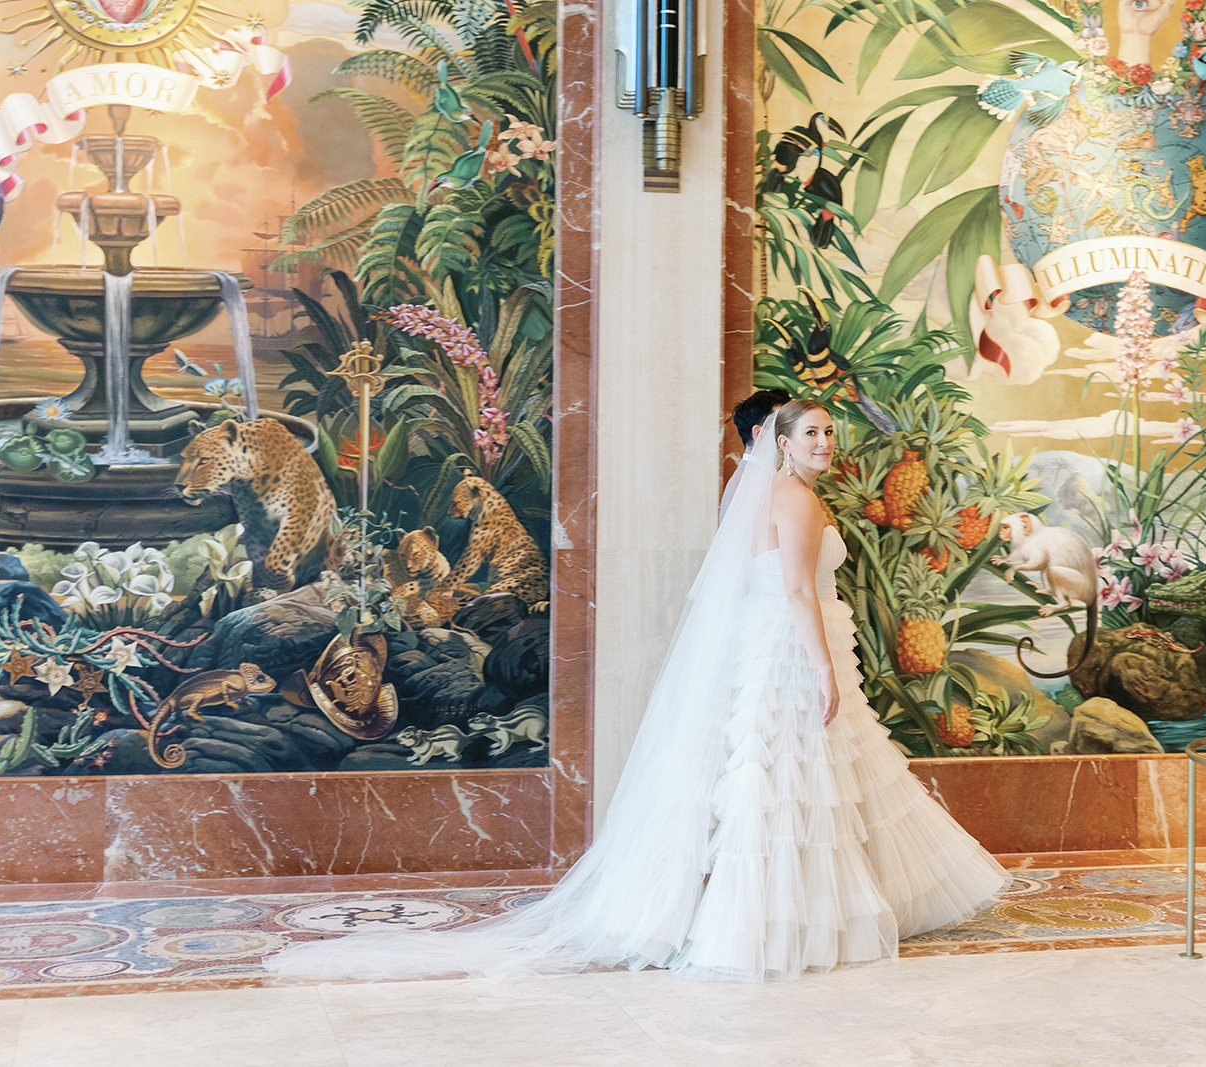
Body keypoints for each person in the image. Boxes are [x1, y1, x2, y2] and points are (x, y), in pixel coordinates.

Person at [265, 399, 1006, 983]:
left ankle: (778, 918)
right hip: (788, 647)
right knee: (785, 776)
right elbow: (796, 593)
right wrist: (822, 668)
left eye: (829, 434)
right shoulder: (799, 502)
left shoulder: (760, 498)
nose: (824, 444)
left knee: (776, 775)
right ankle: (782, 923)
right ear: (780, 441)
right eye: (811, 433)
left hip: (766, 643)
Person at [721, 388, 791, 520]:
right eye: (783, 426)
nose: (791, 433)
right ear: (759, 433)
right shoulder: (751, 483)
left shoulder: (751, 476)